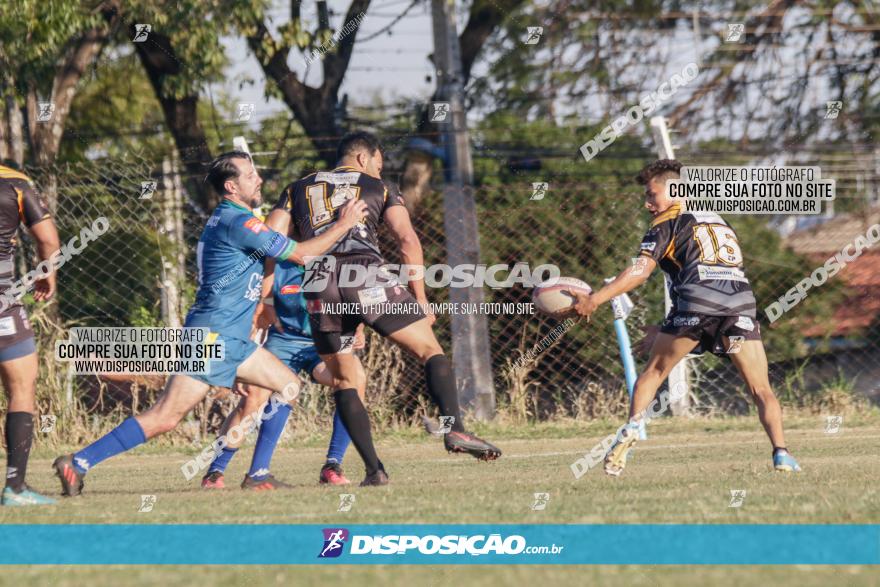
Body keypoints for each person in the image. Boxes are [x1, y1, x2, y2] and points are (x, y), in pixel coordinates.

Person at [53, 151, 368, 496]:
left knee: (287, 386)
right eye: (250, 175)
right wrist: (343, 224)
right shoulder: (239, 223)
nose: (259, 179)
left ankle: (258, 474)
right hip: (212, 338)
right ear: (232, 186)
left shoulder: (230, 218)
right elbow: (301, 255)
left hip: (230, 338)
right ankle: (79, 462)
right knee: (165, 417)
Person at [266, 131, 501, 487]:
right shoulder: (381, 187)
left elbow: (272, 239)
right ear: (364, 157)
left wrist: (265, 290)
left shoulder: (296, 188)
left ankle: (375, 471)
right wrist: (419, 296)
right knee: (429, 349)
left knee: (345, 380)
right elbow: (407, 241)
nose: (380, 167)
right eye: (379, 161)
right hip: (365, 274)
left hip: (318, 281)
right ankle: (455, 429)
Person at [562, 159, 801, 476]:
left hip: (695, 305)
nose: (648, 204)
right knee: (762, 390)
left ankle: (633, 426)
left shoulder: (667, 222)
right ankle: (781, 453)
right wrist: (665, 328)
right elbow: (713, 277)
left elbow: (641, 271)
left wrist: (596, 299)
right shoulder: (719, 221)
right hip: (740, 306)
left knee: (653, 373)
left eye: (652, 195)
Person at [200, 259, 367, 489]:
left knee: (355, 380)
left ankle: (332, 466)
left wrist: (357, 330)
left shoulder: (339, 258)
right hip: (283, 339)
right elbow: (252, 316)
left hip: (325, 341)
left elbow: (355, 302)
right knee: (253, 399)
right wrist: (238, 368)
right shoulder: (273, 263)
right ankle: (215, 472)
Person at [0, 162, 61, 505]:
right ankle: (15, 487)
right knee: (21, 387)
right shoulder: (15, 182)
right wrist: (46, 272)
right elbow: (48, 239)